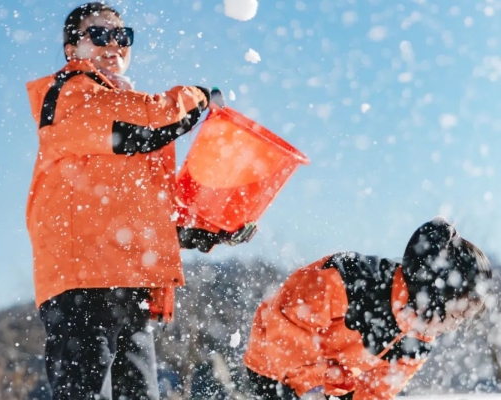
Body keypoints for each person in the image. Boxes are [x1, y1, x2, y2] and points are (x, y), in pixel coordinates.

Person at [24, 2, 256, 399]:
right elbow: (147, 125)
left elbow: (145, 213)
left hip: (129, 287)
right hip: (83, 286)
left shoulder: (120, 109)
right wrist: (198, 97)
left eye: (123, 36)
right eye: (99, 35)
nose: (115, 44)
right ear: (71, 49)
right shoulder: (69, 94)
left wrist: (205, 229)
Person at [243, 217, 492, 400]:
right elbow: (291, 324)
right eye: (457, 314)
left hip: (334, 381)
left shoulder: (419, 341)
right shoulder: (353, 279)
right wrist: (309, 385)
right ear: (436, 295)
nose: (455, 325)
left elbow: (377, 391)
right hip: (274, 365)